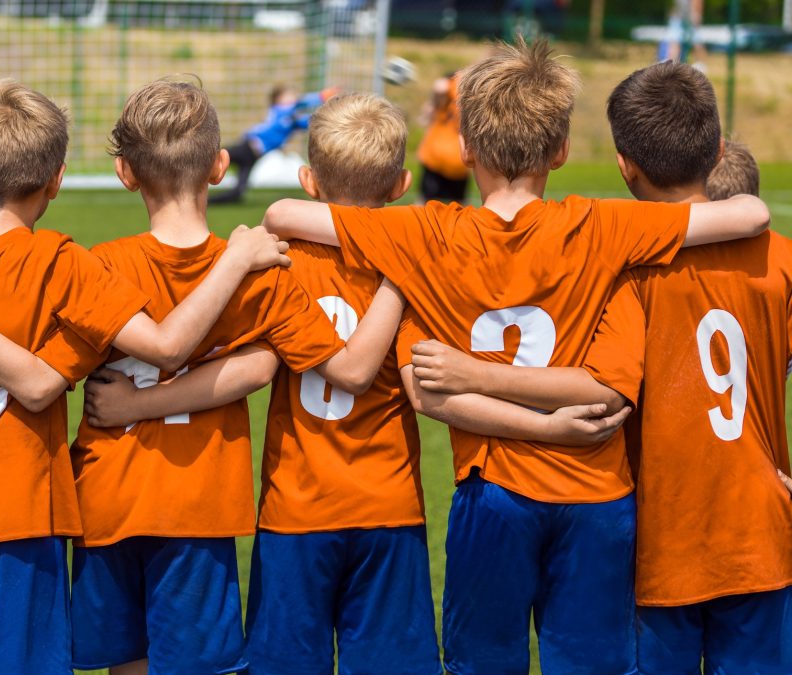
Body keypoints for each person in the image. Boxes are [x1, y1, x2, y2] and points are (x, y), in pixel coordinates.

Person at [260, 39, 772, 673]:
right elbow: (749, 215)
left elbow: (286, 212)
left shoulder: (428, 233)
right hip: (594, 493)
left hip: (493, 489)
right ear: (560, 150)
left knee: (484, 663)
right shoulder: (602, 225)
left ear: (467, 148)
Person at [0, 77, 293, 674]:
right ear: (57, 178)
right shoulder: (62, 263)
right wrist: (236, 255)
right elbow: (157, 348)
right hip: (19, 515)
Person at [407, 62, 792, 674]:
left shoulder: (628, 270)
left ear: (624, 166)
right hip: (763, 529)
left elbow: (605, 392)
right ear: (717, 151)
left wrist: (473, 374)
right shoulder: (781, 260)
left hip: (662, 532)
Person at [66, 79, 418, 675]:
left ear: (124, 173)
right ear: (220, 166)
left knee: (127, 661)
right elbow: (262, 366)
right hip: (202, 504)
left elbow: (49, 375)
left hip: (109, 496)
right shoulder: (263, 271)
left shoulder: (97, 266)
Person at [208, 84, 338, 205]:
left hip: (253, 157)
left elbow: (311, 121)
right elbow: (298, 104)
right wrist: (320, 96)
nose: (293, 97)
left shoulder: (292, 121)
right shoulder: (279, 111)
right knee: (209, 162)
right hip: (246, 147)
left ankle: (209, 201)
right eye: (288, 96)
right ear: (278, 100)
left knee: (238, 193)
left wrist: (331, 115)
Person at [417, 72, 470, 203]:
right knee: (426, 205)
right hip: (435, 163)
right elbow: (439, 88)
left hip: (459, 167)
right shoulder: (447, 96)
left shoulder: (468, 99)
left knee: (456, 208)